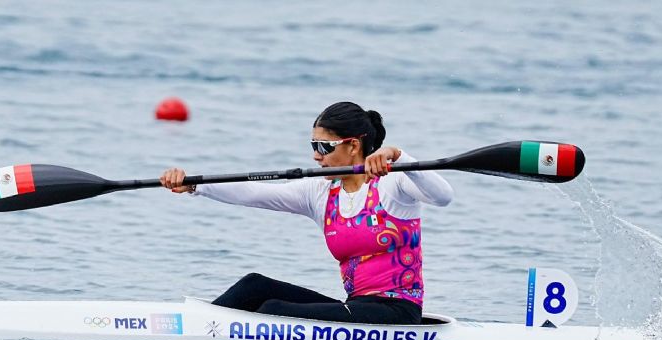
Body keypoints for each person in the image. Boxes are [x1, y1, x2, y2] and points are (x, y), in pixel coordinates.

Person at [160, 101, 453, 325]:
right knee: (254, 286)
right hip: (357, 306)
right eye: (313, 145)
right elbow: (254, 193)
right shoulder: (321, 193)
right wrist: (194, 186)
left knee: (273, 311)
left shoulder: (394, 183)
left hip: (397, 313)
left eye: (323, 146)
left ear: (353, 145)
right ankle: (197, 326)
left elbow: (443, 196)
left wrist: (397, 155)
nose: (316, 156)